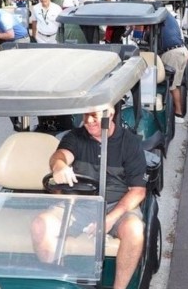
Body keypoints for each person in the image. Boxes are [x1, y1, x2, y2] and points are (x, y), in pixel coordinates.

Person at [31, 107, 147, 289]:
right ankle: (64, 282)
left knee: (134, 230)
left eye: (94, 115)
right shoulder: (75, 137)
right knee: (41, 225)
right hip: (78, 203)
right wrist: (59, 166)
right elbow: (60, 155)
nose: (89, 121)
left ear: (110, 113)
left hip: (116, 205)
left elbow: (138, 191)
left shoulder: (129, 142)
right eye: (86, 115)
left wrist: (110, 219)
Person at [159, 10, 188, 123]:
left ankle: (178, 114)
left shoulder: (159, 18)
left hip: (172, 54)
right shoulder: (168, 17)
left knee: (172, 86)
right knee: (175, 84)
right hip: (180, 51)